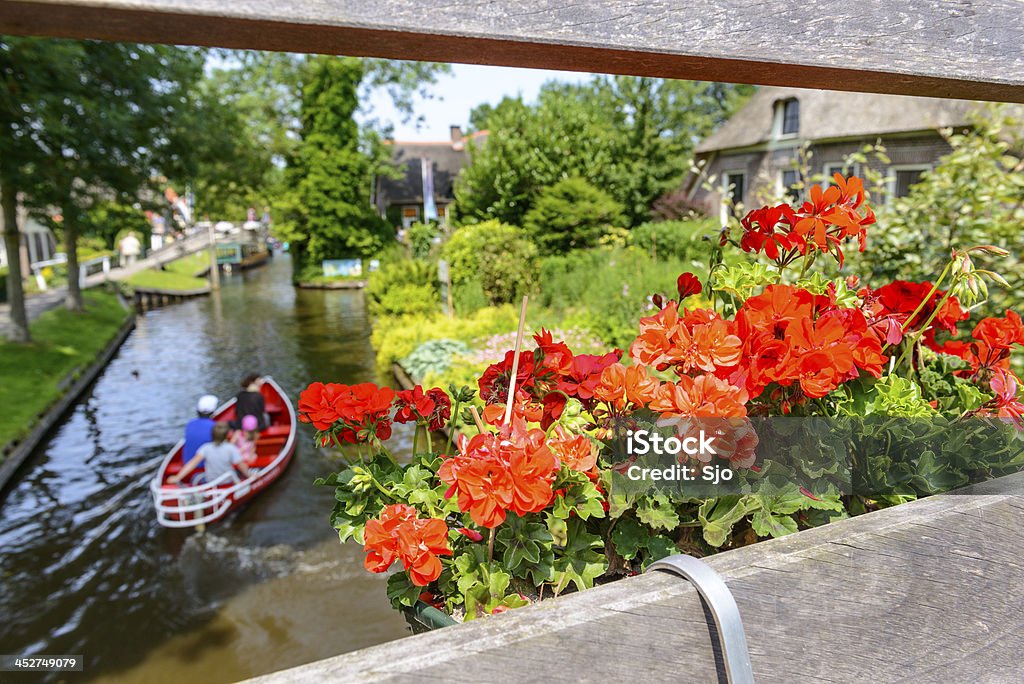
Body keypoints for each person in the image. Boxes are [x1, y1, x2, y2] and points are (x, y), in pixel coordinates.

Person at [169, 422, 253, 485]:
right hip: (227, 480)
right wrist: (249, 475)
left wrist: (178, 477)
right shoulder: (231, 448)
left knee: (195, 477)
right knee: (239, 473)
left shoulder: (205, 447)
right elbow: (241, 466)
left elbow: (192, 463)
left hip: (211, 481)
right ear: (226, 435)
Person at [183, 394, 218, 467]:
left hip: (186, 462)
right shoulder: (215, 426)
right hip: (204, 464)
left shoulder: (190, 424)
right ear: (213, 412)